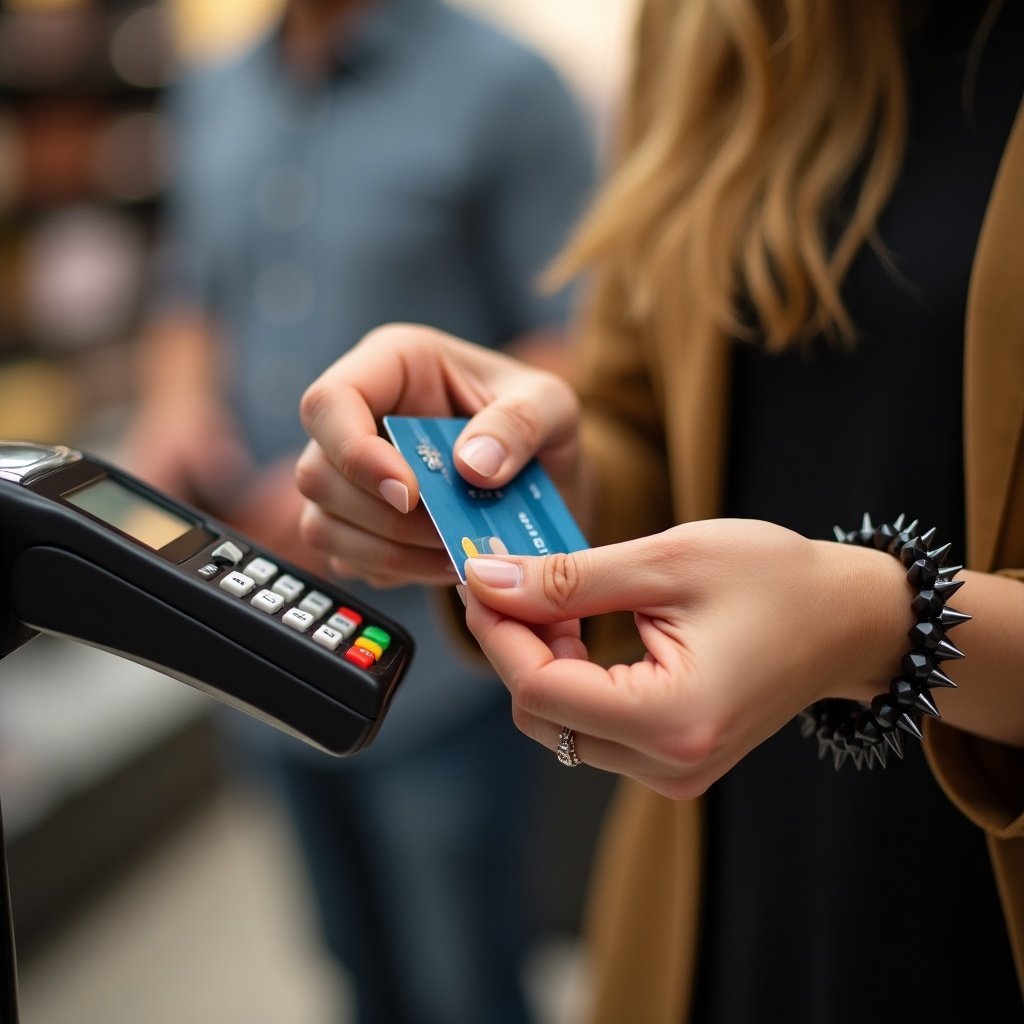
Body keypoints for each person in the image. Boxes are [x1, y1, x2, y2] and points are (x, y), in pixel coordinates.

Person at [293, 1, 1024, 1021]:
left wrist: (880, 624)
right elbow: (650, 425)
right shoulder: (705, 23)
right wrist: (522, 488)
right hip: (718, 889)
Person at [121, 1, 594, 1021]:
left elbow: (575, 347)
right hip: (249, 633)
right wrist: (177, 403)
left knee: (464, 981)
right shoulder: (212, 86)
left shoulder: (510, 86)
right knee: (351, 967)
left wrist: (365, 484)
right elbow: (186, 295)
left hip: (436, 663)